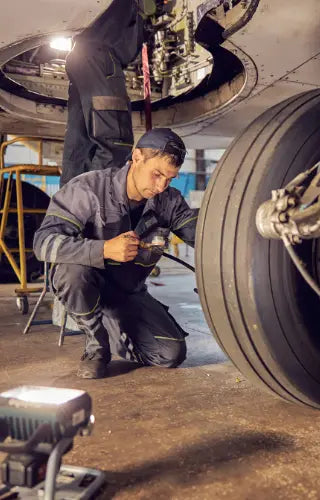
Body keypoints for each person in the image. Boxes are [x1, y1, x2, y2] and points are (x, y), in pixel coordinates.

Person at [34, 128, 198, 379]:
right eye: (157, 174)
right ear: (137, 157)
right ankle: (96, 343)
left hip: (128, 293)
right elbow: (43, 243)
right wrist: (103, 249)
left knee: (170, 353)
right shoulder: (88, 189)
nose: (161, 185)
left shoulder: (169, 201)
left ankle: (112, 324)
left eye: (170, 178)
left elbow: (203, 235)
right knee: (72, 270)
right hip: (89, 284)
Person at [60, 0, 147, 186]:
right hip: (101, 57)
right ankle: (92, 205)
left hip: (85, 54)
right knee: (115, 141)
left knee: (81, 147)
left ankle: (69, 209)